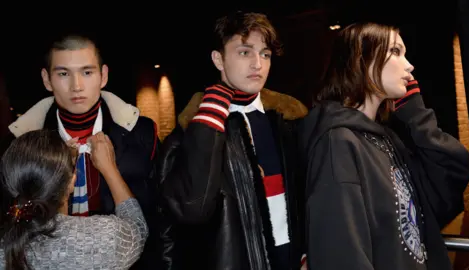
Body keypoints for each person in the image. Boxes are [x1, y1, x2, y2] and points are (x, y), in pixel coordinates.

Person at [298, 22, 469, 270]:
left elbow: (454, 173)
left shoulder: (387, 138)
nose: (409, 65)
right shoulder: (337, 143)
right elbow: (342, 255)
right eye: (395, 52)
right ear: (362, 60)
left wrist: (416, 114)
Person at [0, 34, 171, 269]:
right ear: (46, 79)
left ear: (104, 76)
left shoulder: (142, 133)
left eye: (87, 72)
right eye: (63, 74)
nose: (76, 86)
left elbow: (163, 218)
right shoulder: (20, 145)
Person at [160, 11, 308, 270]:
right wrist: (212, 111)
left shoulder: (289, 120)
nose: (257, 65)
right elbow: (189, 211)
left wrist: (308, 252)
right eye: (244, 52)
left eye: (265, 54)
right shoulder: (192, 130)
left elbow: (307, 197)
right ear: (218, 59)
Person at [0, 129, 148, 269]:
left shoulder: (7, 242)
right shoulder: (104, 240)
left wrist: (61, 167)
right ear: (72, 182)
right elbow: (137, 228)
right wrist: (110, 168)